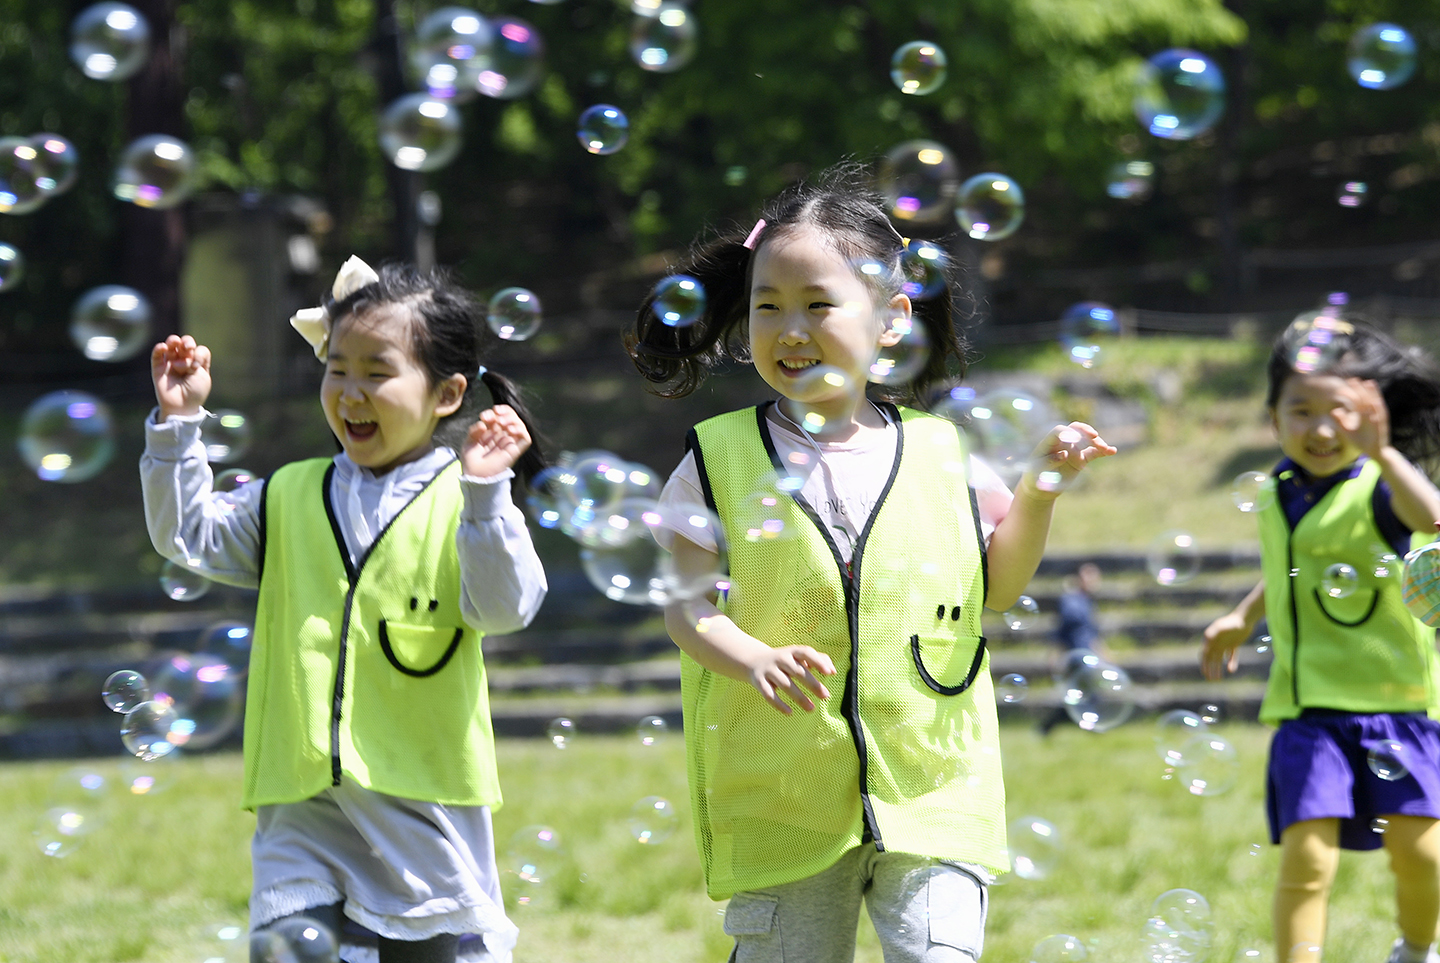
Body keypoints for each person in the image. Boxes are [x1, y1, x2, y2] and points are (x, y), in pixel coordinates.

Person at [624, 165, 1116, 963]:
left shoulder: (942, 451)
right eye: (768, 306)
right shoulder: (715, 459)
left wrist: (1041, 489)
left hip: (932, 777)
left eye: (819, 305)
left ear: (891, 318)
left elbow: (1001, 586)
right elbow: (686, 608)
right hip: (784, 790)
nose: (791, 328)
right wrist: (751, 656)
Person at [142, 258, 548, 963]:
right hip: (300, 804)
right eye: (337, 369)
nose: (351, 393)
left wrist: (489, 497)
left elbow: (507, 606)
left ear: (447, 393)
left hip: (419, 804)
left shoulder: (466, 501)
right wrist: (179, 427)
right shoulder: (287, 494)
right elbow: (190, 535)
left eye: (376, 372)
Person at [1201, 316, 1440, 963]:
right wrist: (1244, 616)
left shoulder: (1381, 487)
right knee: (1307, 858)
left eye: (1339, 411)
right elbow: (1293, 568)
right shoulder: (1277, 492)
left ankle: (1418, 948)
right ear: (1273, 418)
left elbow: (1432, 516)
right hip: (1309, 713)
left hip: (1399, 704)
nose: (1321, 427)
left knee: (1423, 853)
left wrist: (1386, 452)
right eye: (1299, 410)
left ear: (1369, 415)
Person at [1038, 562, 1104, 735]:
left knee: (1084, 693)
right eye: (1088, 576)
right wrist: (1055, 654)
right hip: (1074, 655)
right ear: (1078, 578)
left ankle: (1051, 726)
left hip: (1087, 654)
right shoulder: (1070, 601)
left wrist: (1103, 651)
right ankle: (1050, 726)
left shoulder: (1087, 601)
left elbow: (1091, 632)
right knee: (1082, 693)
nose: (1093, 580)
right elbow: (1062, 629)